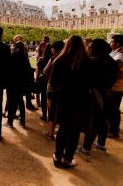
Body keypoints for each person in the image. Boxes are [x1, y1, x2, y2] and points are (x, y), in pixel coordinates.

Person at [49, 35, 92, 169]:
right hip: (81, 100)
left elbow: (53, 81)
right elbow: (93, 82)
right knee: (74, 131)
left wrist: (60, 90)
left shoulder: (60, 60)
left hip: (64, 99)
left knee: (63, 128)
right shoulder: (88, 62)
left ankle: (57, 156)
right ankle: (67, 159)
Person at [80, 39, 118, 155]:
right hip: (108, 94)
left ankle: (86, 148)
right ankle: (101, 144)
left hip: (95, 95)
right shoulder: (112, 61)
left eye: (90, 47)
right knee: (103, 121)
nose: (89, 49)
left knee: (93, 123)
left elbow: (87, 80)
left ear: (96, 49)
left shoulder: (93, 62)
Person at [43, 40, 65, 140]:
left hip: (52, 87)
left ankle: (51, 132)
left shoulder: (54, 59)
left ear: (55, 49)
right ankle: (57, 128)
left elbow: (45, 71)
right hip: (63, 88)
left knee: (52, 110)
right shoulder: (68, 59)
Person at [5, 41, 29, 127]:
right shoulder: (24, 55)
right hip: (21, 81)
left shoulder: (14, 54)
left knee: (11, 101)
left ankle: (10, 121)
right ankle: (22, 120)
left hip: (13, 81)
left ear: (16, 46)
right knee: (20, 101)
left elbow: (8, 67)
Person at [109, 34, 123, 138]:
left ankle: (113, 131)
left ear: (117, 43)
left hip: (117, 86)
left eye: (112, 41)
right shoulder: (118, 52)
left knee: (113, 108)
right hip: (116, 86)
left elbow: (115, 68)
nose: (110, 43)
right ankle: (113, 128)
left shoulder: (122, 54)